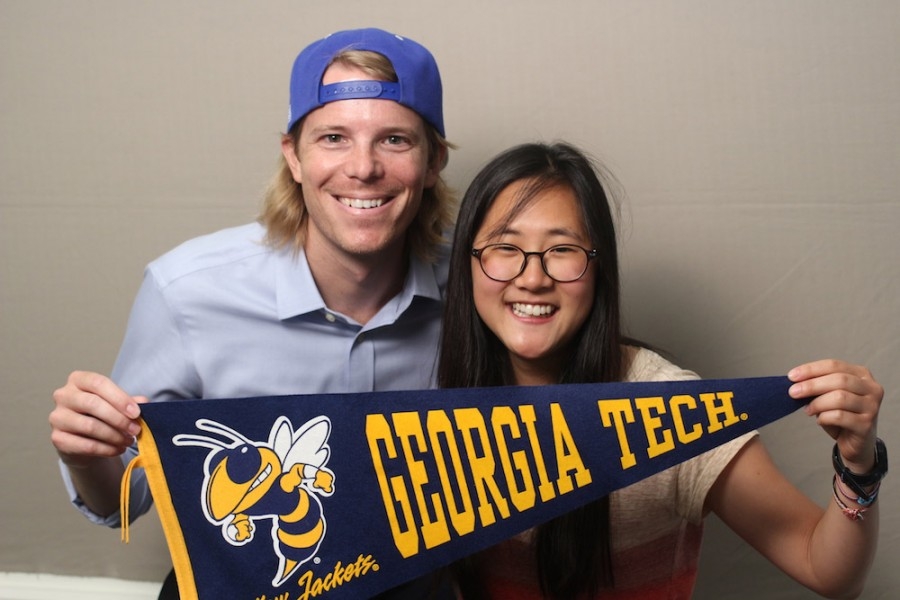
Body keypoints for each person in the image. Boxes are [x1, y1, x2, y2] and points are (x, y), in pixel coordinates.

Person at [48, 27, 454, 598]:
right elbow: (124, 503)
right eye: (334, 137)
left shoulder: (483, 284)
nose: (363, 168)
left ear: (433, 160)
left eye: (394, 140)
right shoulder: (187, 291)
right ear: (293, 155)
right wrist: (86, 453)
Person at [436, 141, 884, 599]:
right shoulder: (431, 399)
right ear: (468, 262)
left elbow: (826, 568)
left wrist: (859, 465)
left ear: (598, 267)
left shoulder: (671, 410)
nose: (533, 277)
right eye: (505, 247)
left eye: (562, 248)